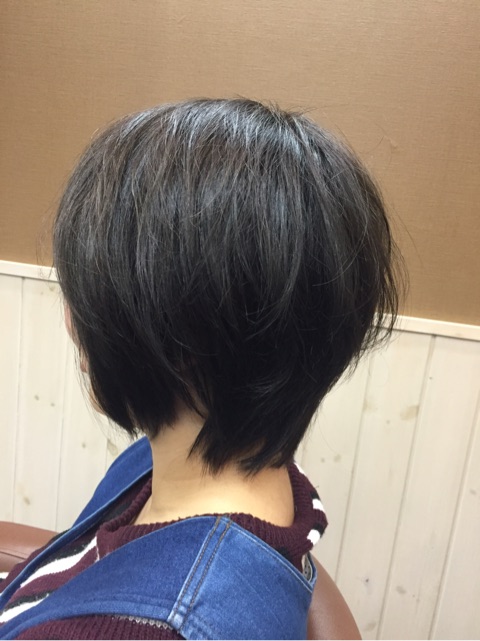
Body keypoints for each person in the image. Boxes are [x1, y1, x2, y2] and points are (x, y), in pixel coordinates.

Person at [0, 98, 401, 639]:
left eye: (84, 296)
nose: (72, 322)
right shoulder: (195, 467)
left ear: (179, 339)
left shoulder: (159, 627)